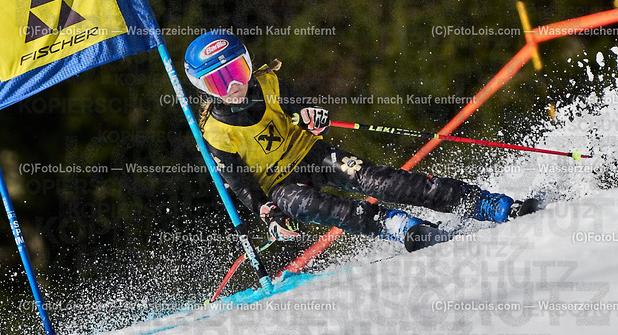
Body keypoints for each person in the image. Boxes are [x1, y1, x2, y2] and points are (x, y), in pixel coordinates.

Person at [184, 30, 537, 253]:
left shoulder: (268, 83)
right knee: (317, 207)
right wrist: (269, 214)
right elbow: (241, 185)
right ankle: (396, 225)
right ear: (203, 88)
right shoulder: (215, 132)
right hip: (279, 185)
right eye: (219, 82)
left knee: (379, 181)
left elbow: (300, 110)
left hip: (311, 153)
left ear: (248, 64)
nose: (234, 87)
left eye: (237, 72)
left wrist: (312, 116)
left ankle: (486, 203)